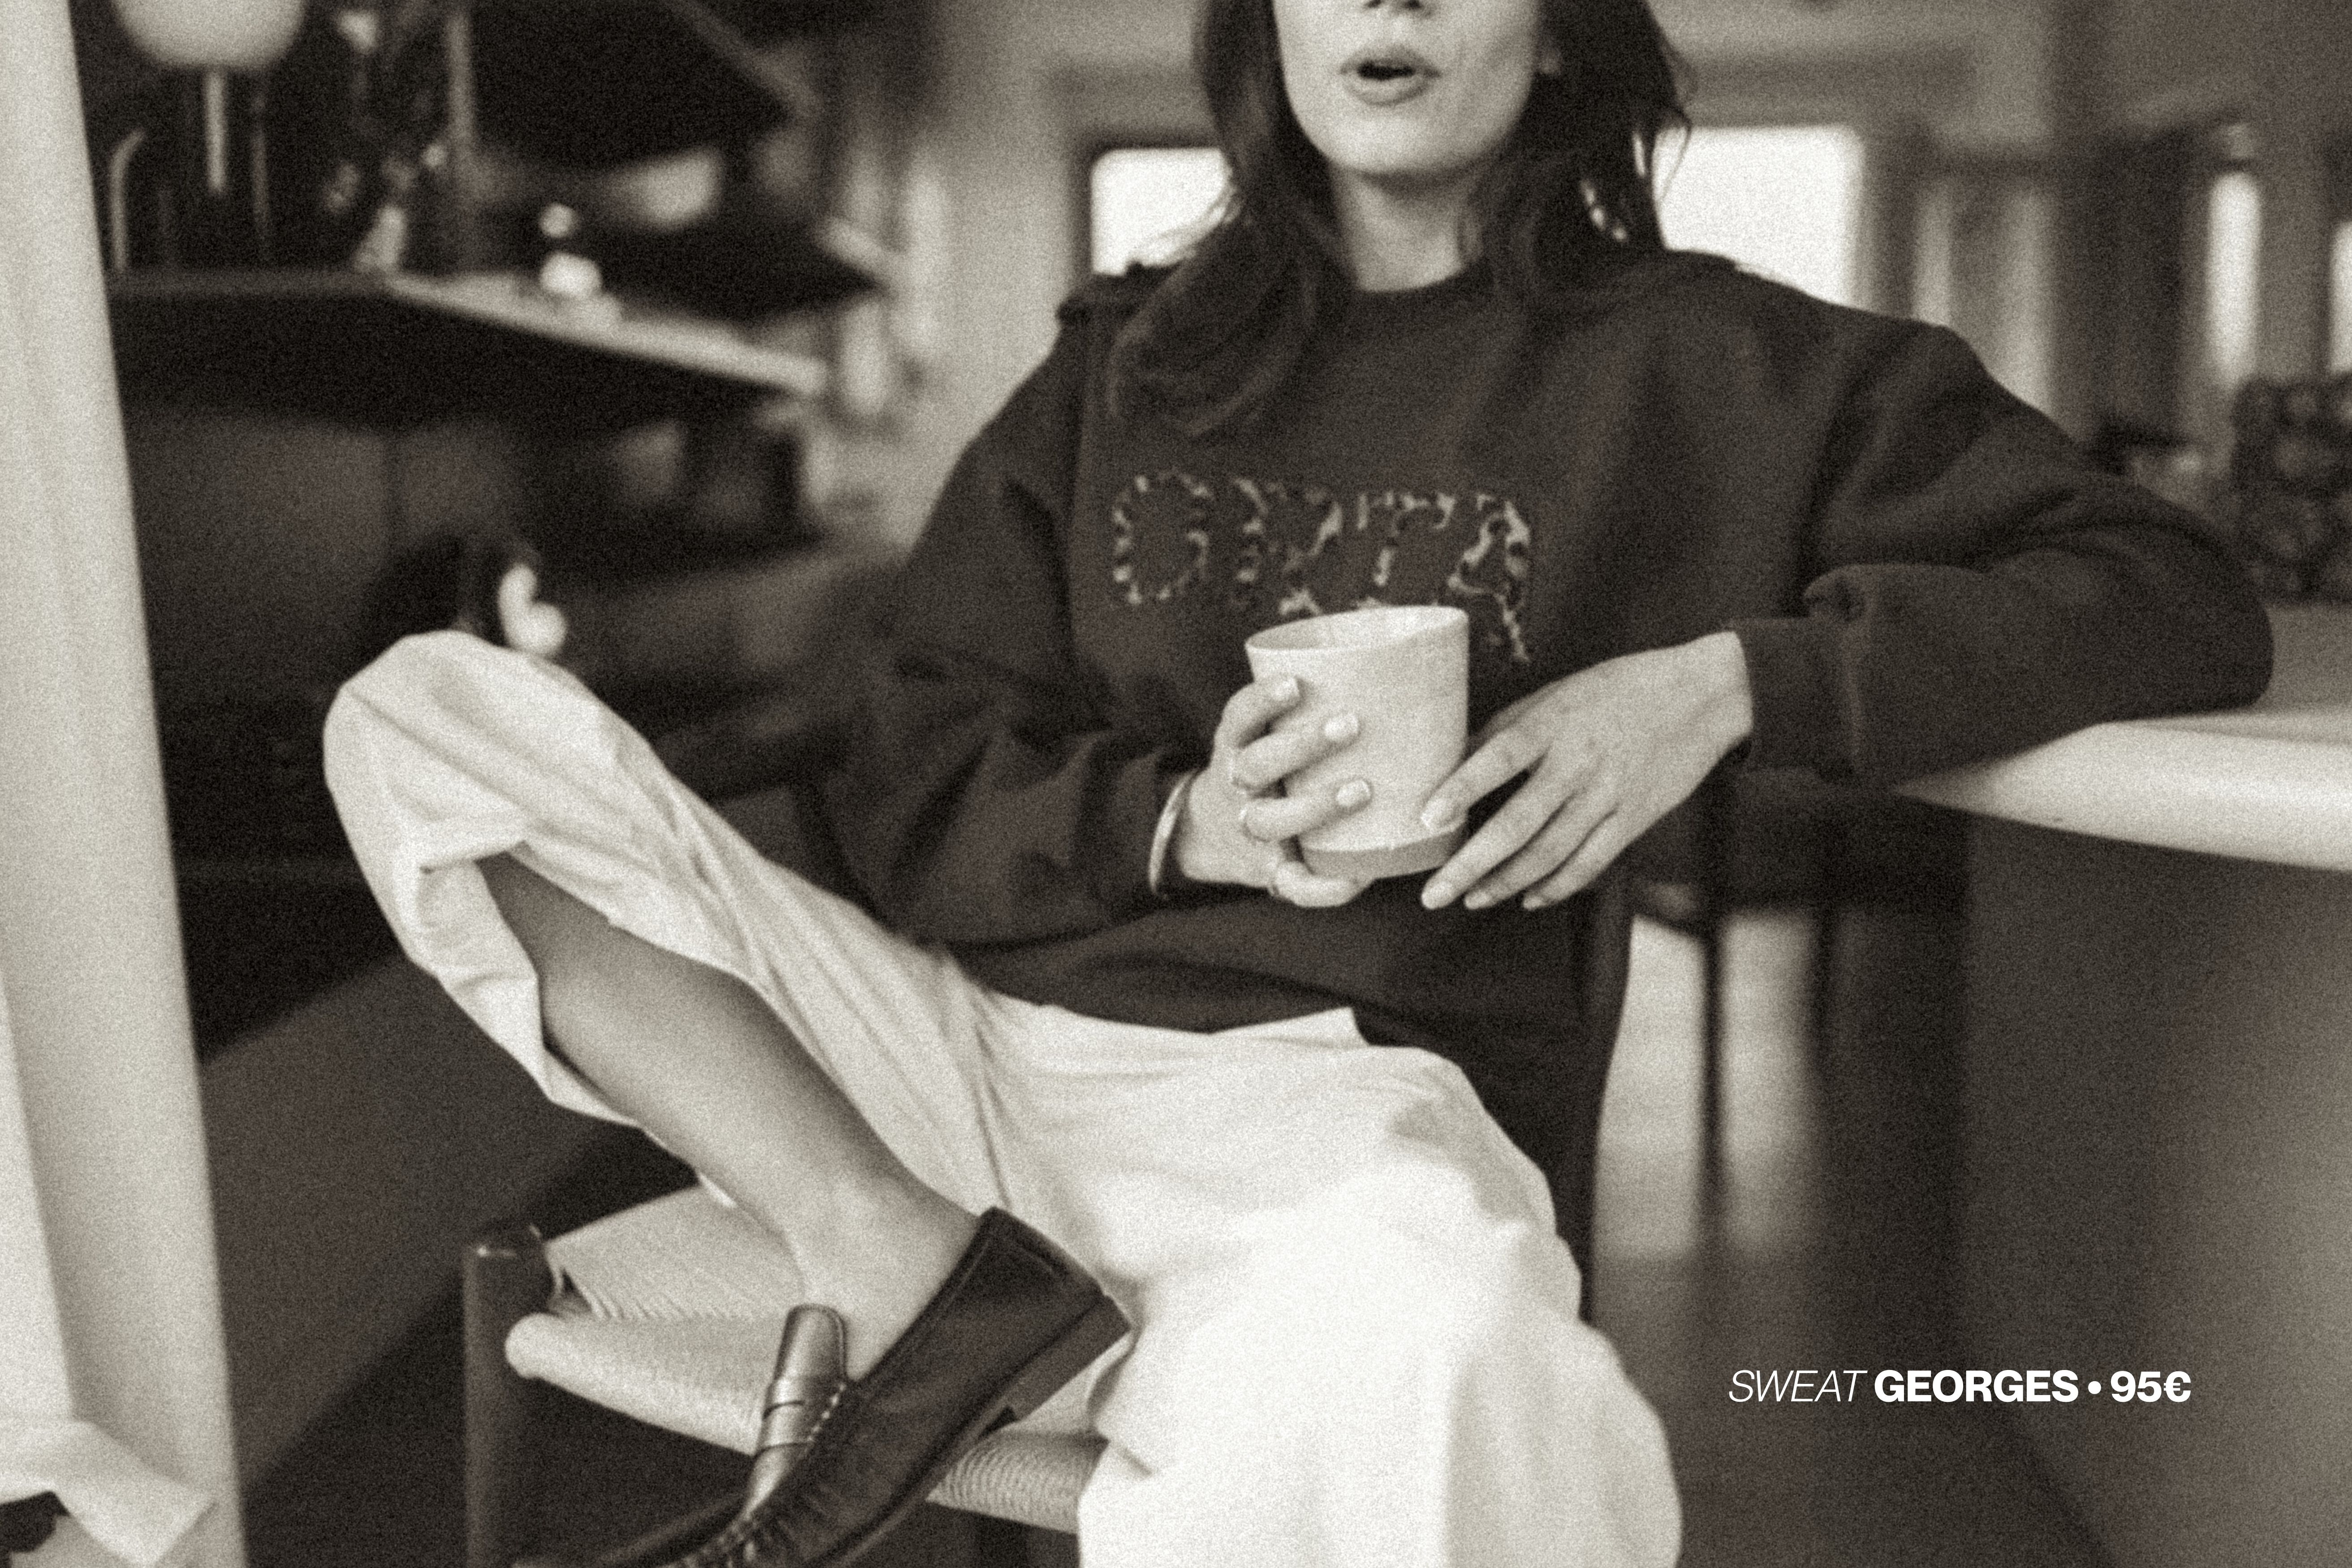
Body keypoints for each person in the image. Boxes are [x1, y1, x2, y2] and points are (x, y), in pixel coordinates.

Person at [323, 1, 2271, 1564]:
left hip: (1330, 1099)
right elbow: (912, 757)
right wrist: (1182, 820)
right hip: (944, 1059)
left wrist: (1723, 686)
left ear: (1561, 32)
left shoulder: (1730, 369)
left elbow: (2166, 591)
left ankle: (1041, 1317)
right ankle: (905, 1266)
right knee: (424, 708)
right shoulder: (1130, 362)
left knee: (1440, 1345)